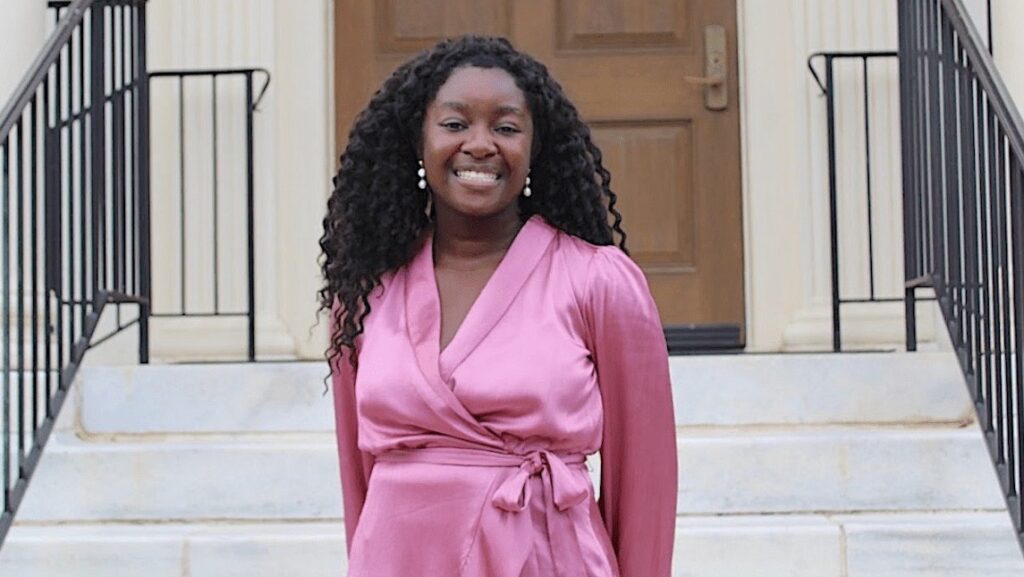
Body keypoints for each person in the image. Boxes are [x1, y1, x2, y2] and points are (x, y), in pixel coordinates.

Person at [319, 35, 677, 577]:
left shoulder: (596, 281)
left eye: (506, 127)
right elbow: (360, 479)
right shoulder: (365, 294)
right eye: (455, 124)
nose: (480, 144)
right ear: (418, 142)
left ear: (535, 149)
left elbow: (644, 478)